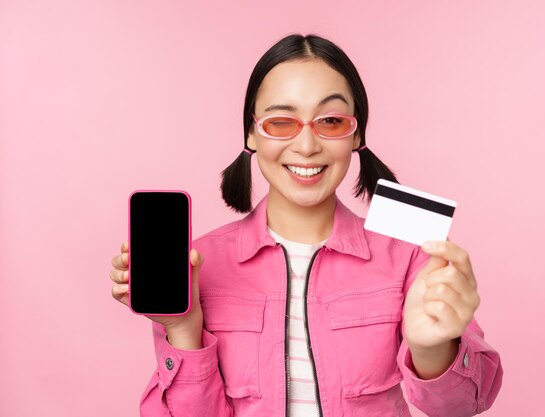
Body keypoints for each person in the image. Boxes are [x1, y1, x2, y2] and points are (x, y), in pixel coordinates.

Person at [110, 33, 503, 417]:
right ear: (251, 132)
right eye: (281, 122)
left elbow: (463, 407)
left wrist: (433, 349)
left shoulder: (410, 253)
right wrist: (183, 329)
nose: (307, 145)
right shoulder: (196, 263)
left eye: (330, 121)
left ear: (357, 133)